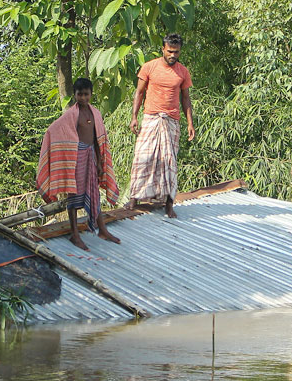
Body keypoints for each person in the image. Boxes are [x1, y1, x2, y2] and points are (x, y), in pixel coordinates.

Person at [36, 78, 120, 250]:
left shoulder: (95, 113)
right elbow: (53, 130)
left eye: (86, 94)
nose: (83, 98)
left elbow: (98, 139)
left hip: (91, 156)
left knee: (94, 192)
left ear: (91, 94)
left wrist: (99, 161)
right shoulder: (70, 115)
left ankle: (102, 229)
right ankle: (75, 234)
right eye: (79, 94)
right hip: (76, 158)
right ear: (74, 95)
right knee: (74, 195)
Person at [126, 33, 195, 218]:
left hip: (171, 121)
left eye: (177, 52)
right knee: (142, 157)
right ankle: (134, 198)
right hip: (151, 118)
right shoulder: (149, 67)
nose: (173, 55)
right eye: (170, 51)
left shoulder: (183, 72)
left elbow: (186, 99)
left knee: (169, 162)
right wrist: (134, 117)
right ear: (163, 49)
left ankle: (168, 204)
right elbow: (139, 93)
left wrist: (190, 123)